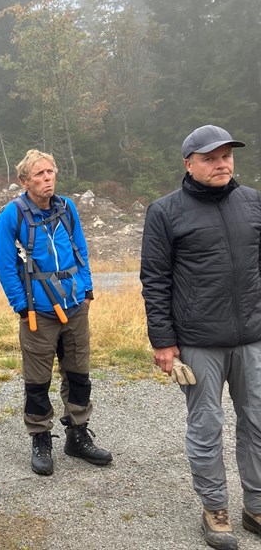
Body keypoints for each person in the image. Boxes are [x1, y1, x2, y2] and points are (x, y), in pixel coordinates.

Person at [140, 125, 261, 550]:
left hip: (252, 338)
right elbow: (155, 279)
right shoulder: (166, 211)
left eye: (227, 155)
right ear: (189, 163)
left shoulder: (252, 203)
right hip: (198, 340)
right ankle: (216, 509)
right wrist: (163, 340)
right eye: (211, 157)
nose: (222, 163)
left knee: (258, 423)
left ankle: (256, 506)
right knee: (207, 426)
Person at [0, 149, 112, 477]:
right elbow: (5, 264)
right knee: (37, 380)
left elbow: (80, 248)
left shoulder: (67, 208)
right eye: (39, 175)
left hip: (75, 306)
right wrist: (21, 306)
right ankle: (40, 437)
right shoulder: (11, 216)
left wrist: (86, 289)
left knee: (78, 374)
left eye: (50, 172)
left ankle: (77, 434)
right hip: (38, 311)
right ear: (24, 181)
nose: (47, 179)